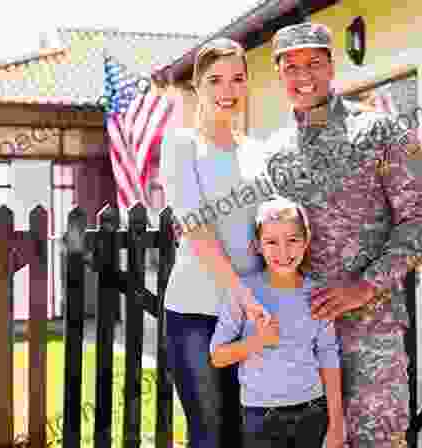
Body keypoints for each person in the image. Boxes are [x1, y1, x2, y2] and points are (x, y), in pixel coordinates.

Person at [259, 23, 422, 448]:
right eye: (291, 67)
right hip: (300, 338)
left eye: (314, 63)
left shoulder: (380, 132)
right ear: (279, 74)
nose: (303, 75)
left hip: (371, 334)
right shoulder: (275, 153)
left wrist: (365, 286)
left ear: (331, 66)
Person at [159, 37, 272, 448]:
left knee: (248, 436)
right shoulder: (181, 145)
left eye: (237, 79)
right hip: (197, 313)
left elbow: (267, 231)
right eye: (216, 80)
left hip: (251, 316)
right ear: (198, 86)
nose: (228, 91)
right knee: (210, 435)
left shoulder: (258, 151)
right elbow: (197, 228)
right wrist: (242, 292)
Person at [210, 197, 345, 448]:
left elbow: (328, 356)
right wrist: (258, 341)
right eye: (272, 242)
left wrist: (337, 423)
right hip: (260, 417)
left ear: (306, 241)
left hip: (312, 412)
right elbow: (218, 357)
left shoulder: (317, 295)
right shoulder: (245, 293)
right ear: (258, 246)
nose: (283, 252)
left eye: (293, 240)